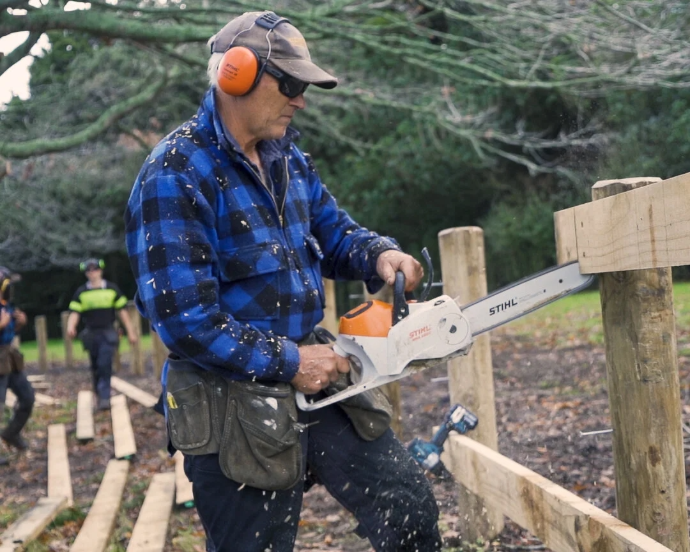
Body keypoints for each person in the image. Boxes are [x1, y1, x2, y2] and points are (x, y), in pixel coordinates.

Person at [124, 10, 442, 552]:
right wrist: (292, 362)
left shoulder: (287, 158)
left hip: (312, 374)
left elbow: (334, 233)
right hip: (227, 398)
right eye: (291, 84)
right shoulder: (175, 172)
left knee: (406, 503)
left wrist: (380, 255)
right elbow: (185, 321)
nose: (301, 100)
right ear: (236, 74)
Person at [66, 258, 137, 410]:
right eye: (89, 270)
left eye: (95, 269)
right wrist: (71, 326)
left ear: (101, 271)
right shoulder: (81, 292)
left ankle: (105, 397)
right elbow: (74, 312)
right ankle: (98, 394)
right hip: (91, 334)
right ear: (86, 273)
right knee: (95, 367)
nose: (92, 273)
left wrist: (131, 332)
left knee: (105, 364)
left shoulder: (112, 289)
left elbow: (123, 312)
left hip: (108, 333)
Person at [0, 266, 34, 467]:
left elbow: (10, 332)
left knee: (27, 397)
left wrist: (20, 323)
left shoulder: (8, 306)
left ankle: (11, 433)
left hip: (9, 358)